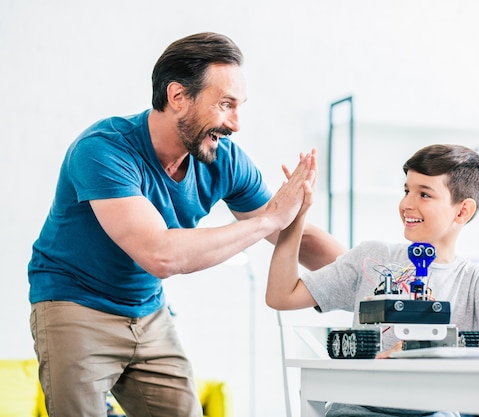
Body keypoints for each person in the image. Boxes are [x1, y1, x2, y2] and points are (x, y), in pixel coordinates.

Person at [28, 32, 345, 417]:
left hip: (148, 312)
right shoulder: (102, 150)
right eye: (226, 105)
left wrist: (373, 275)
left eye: (239, 106)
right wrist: (269, 218)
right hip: (75, 305)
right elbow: (160, 255)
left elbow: (290, 232)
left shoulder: (223, 159)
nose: (237, 123)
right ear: (178, 97)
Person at [266, 143, 479, 417]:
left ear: (462, 211)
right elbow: (281, 295)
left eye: (424, 194)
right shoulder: (372, 257)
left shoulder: (473, 280)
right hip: (357, 411)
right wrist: (294, 219)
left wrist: (435, 345)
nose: (407, 204)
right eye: (407, 190)